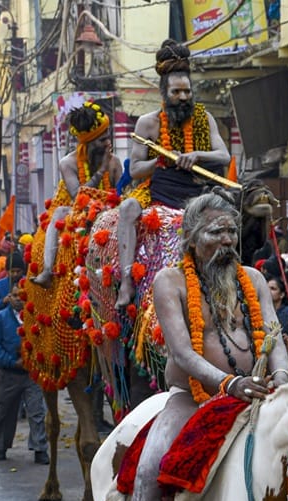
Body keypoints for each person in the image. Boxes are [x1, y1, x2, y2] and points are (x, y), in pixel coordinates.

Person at [106, 193, 288, 501]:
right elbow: (183, 352)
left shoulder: (253, 279)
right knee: (150, 469)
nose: (226, 241)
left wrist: (282, 374)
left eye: (230, 231)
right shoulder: (170, 282)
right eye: (215, 233)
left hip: (259, 394)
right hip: (192, 400)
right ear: (191, 238)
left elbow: (275, 334)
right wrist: (227, 384)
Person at [115, 40, 231, 309]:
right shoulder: (147, 123)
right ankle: (125, 281)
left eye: (187, 91)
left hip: (199, 192)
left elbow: (224, 156)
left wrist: (197, 156)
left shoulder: (205, 118)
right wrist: (162, 160)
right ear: (164, 93)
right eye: (176, 91)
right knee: (129, 208)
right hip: (158, 189)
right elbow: (134, 170)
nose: (183, 97)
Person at [30, 102, 121, 287]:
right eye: (101, 140)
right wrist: (101, 170)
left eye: (108, 137)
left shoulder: (115, 162)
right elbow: (78, 197)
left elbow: (121, 193)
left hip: (108, 213)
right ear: (87, 142)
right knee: (59, 214)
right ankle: (47, 271)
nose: (108, 143)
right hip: (72, 211)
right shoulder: (68, 163)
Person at [0, 285, 48, 464]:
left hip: (31, 373)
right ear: (9, 297)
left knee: (37, 411)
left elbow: (44, 340)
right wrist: (11, 361)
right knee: (5, 412)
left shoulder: (35, 316)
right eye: (14, 295)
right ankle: (1, 446)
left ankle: (40, 449)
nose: (18, 299)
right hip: (8, 374)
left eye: (21, 295)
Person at [0, 252, 26, 317]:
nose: (15, 274)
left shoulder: (27, 283)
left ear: (23, 271)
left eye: (18, 271)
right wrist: (3, 301)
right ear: (7, 271)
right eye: (12, 271)